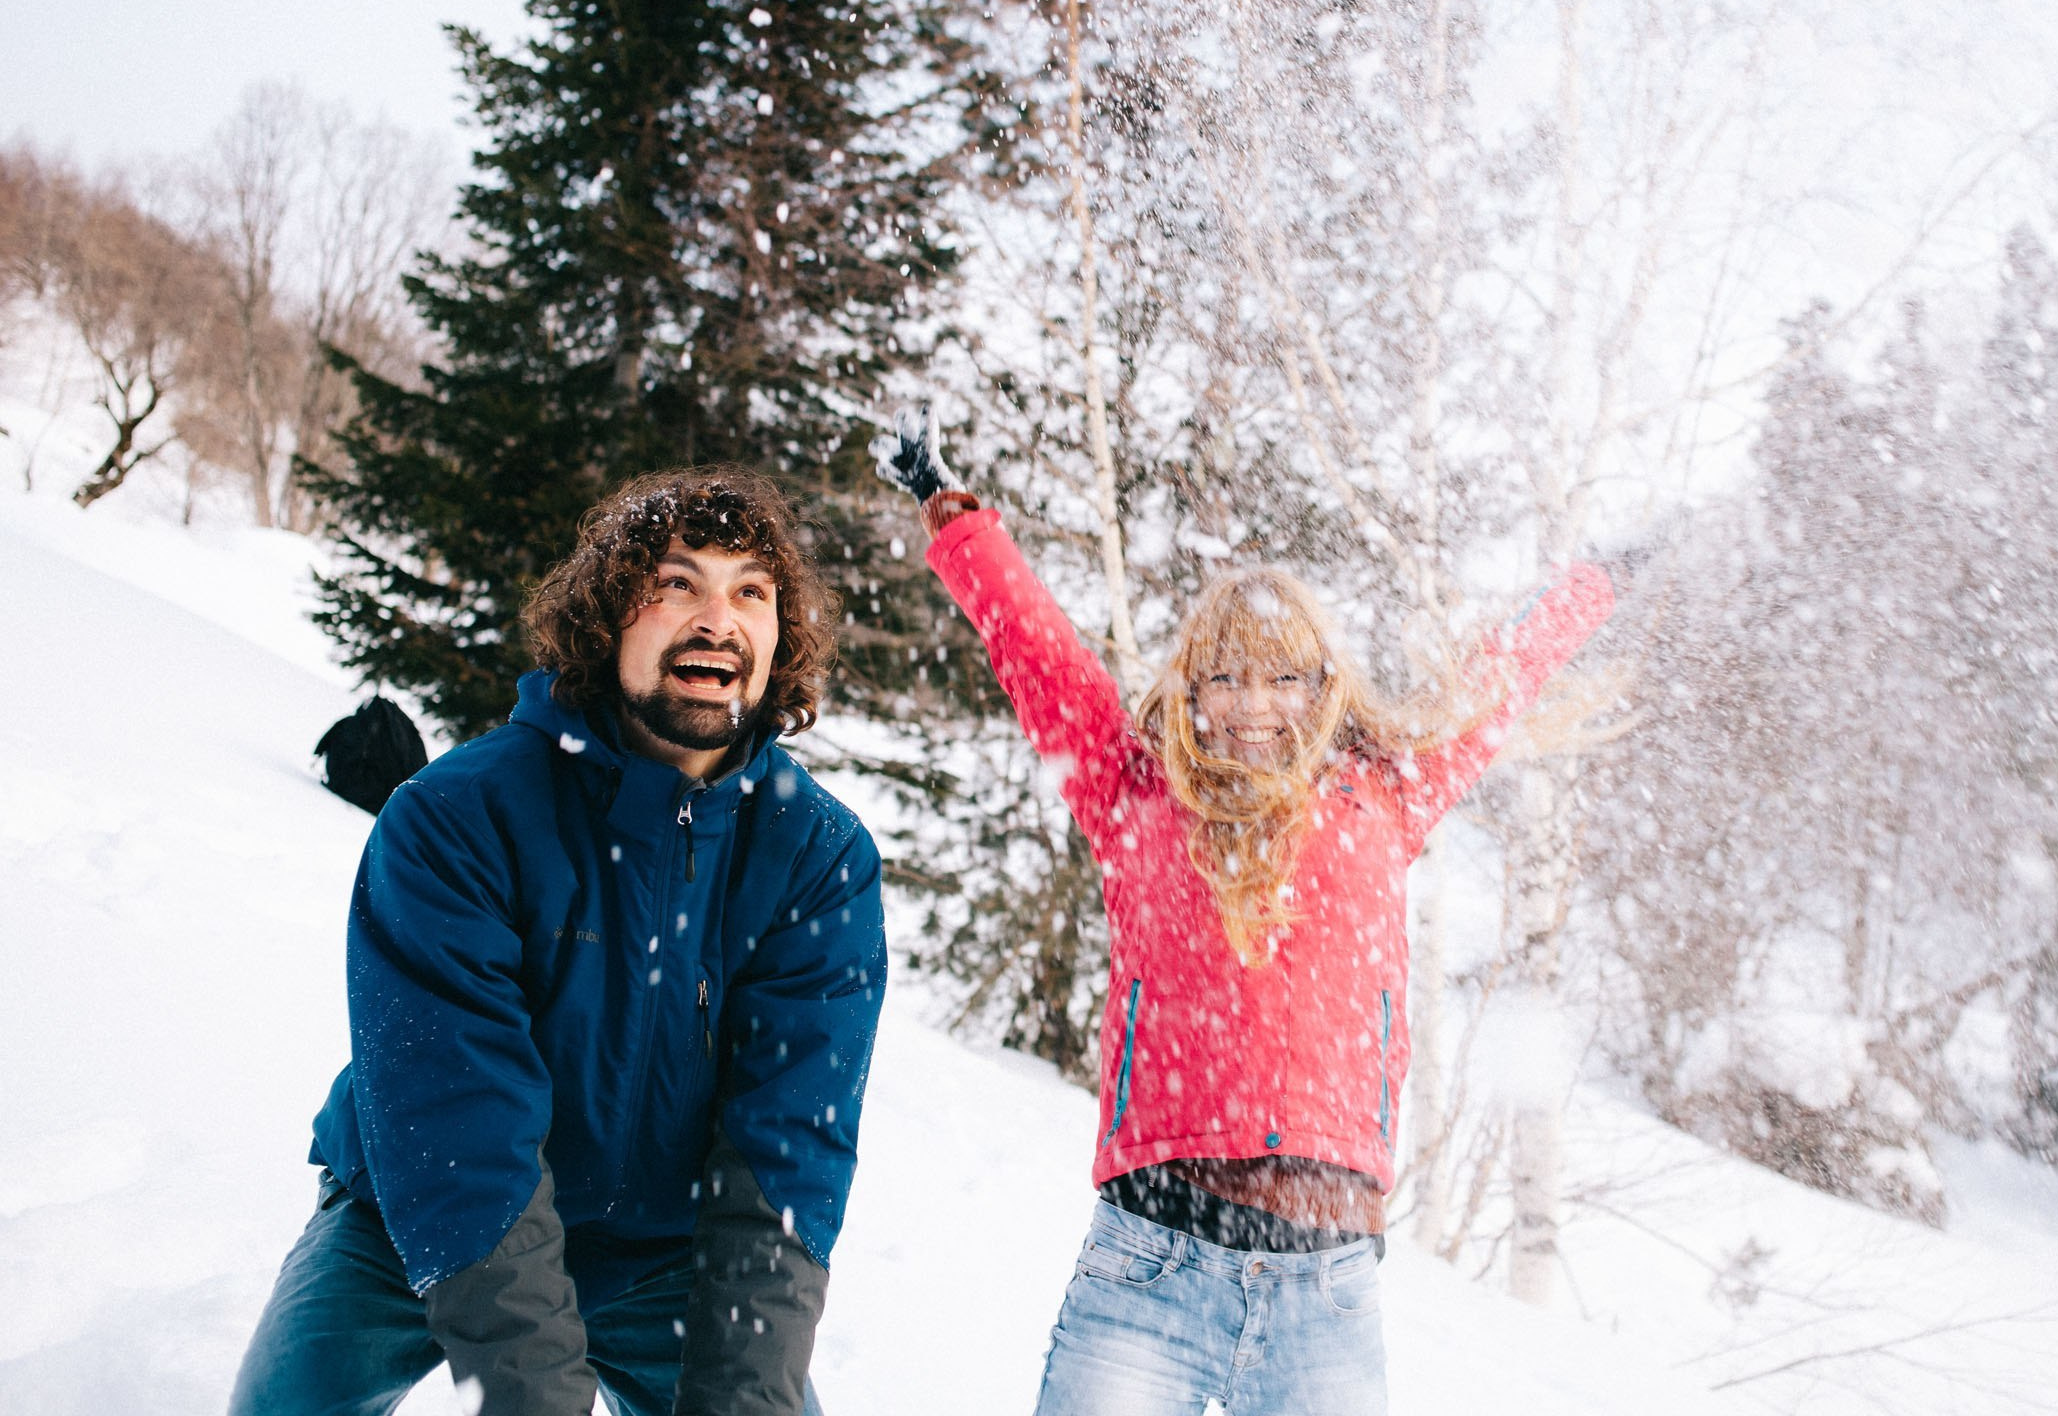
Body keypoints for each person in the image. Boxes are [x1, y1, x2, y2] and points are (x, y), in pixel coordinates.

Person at [873, 414, 1614, 1415]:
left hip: (1325, 1286)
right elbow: (1037, 647)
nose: (1252, 703)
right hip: (1150, 1262)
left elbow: (1491, 688)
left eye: (1283, 675)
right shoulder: (1133, 792)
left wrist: (1593, 585)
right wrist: (952, 514)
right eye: (1224, 673)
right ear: (1192, 686)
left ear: (1324, 686)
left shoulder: (1384, 796)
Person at [229, 468, 884, 1416]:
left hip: (666, 1256)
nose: (717, 618)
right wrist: (537, 1395)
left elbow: (783, 1158)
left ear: (780, 637)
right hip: (418, 1211)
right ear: (607, 614)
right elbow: (460, 1129)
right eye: (676, 584)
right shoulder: (457, 818)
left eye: (751, 591)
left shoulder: (819, 859)